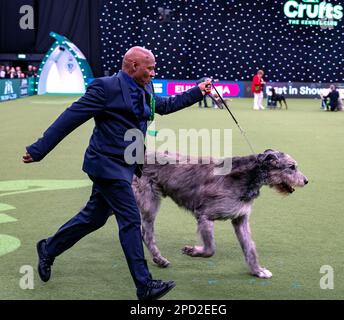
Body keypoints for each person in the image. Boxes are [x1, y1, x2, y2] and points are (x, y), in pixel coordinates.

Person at [23, 46, 212, 300]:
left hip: (128, 165)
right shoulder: (105, 88)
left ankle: (48, 248)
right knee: (130, 219)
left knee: (94, 217)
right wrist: (39, 149)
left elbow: (164, 106)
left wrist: (197, 92)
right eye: (150, 67)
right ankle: (144, 286)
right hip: (105, 165)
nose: (154, 72)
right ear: (133, 66)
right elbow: (71, 117)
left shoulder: (146, 86)